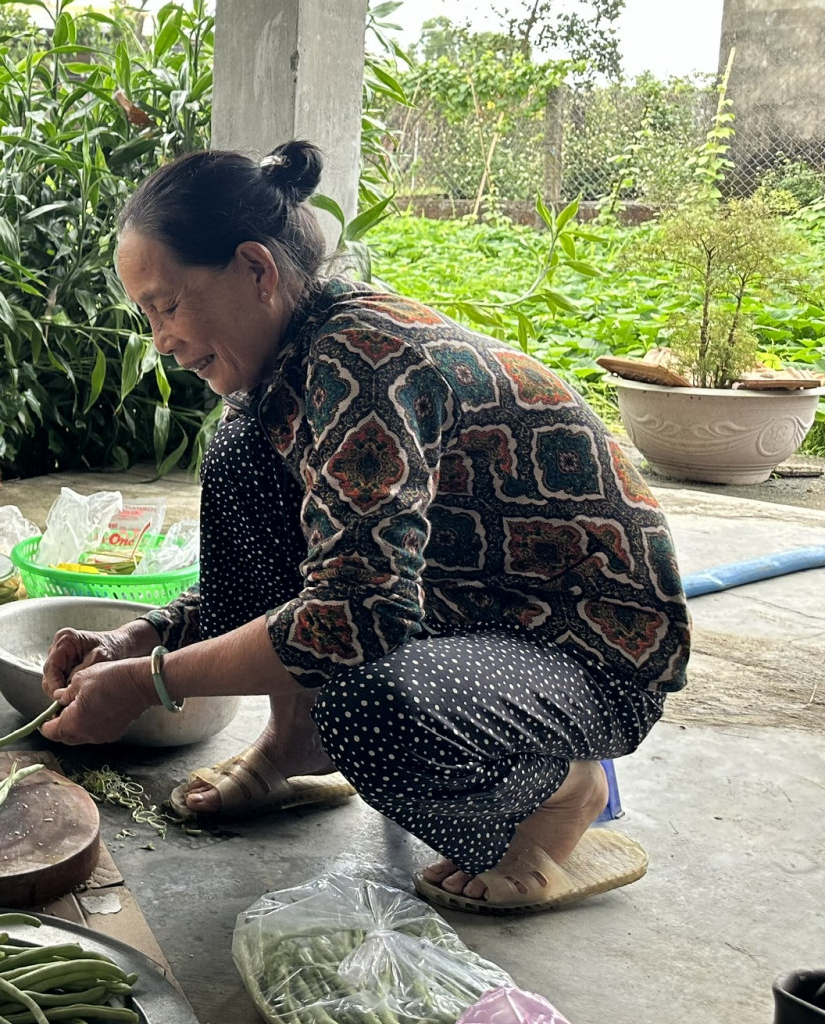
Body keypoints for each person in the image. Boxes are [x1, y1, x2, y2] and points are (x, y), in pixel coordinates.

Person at [41, 141, 689, 917]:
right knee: (241, 456)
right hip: (466, 608)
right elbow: (310, 574)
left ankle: (560, 789)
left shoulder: (366, 365)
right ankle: (295, 741)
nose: (161, 340)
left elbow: (359, 617)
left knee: (371, 711)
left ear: (256, 269)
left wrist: (152, 683)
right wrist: (141, 639)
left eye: (168, 304)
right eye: (148, 315)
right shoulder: (288, 371)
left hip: (586, 649)